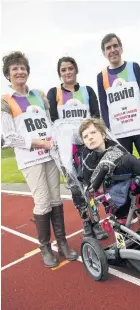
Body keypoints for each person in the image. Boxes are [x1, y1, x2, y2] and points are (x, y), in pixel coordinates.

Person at [1, 51, 78, 268]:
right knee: (43, 201)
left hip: (50, 155)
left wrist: (54, 140)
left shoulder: (39, 95)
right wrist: (40, 143)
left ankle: (62, 242)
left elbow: (49, 123)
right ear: (8, 74)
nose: (19, 71)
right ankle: (45, 246)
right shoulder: (6, 101)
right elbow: (10, 137)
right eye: (14, 68)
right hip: (30, 159)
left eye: (22, 67)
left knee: (56, 199)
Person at [47, 56, 108, 240]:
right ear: (59, 73)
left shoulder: (88, 91)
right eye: (63, 70)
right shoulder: (54, 93)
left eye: (70, 68)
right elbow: (52, 121)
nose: (67, 72)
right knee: (75, 188)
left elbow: (96, 117)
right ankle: (86, 222)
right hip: (67, 151)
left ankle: (96, 222)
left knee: (90, 186)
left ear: (76, 70)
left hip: (86, 147)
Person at [97, 33, 140, 156]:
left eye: (115, 46)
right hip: (119, 133)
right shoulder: (101, 76)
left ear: (121, 48)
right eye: (108, 48)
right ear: (104, 53)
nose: (112, 50)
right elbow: (103, 108)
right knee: (124, 169)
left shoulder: (134, 67)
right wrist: (107, 134)